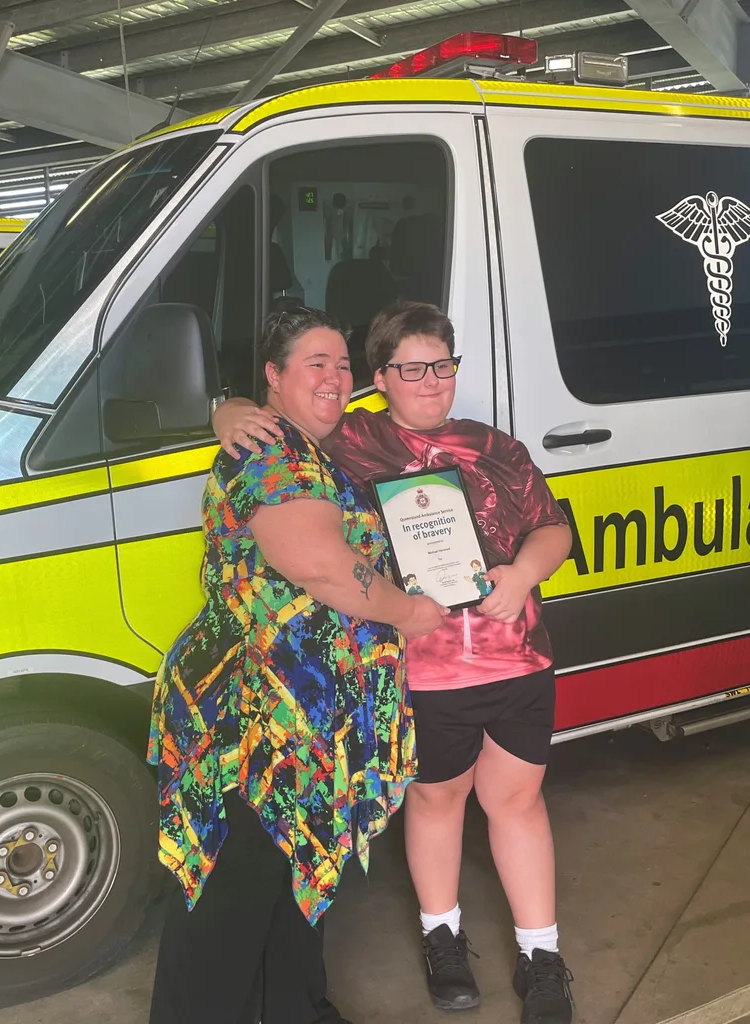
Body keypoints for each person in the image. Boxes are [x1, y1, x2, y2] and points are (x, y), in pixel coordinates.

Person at [214, 301, 575, 1024]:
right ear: (380, 378)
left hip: (516, 660)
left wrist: (524, 575)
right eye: (412, 368)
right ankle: (442, 938)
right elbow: (281, 417)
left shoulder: (494, 447)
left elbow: (553, 527)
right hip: (426, 670)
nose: (431, 380)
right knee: (436, 801)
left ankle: (543, 956)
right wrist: (228, 409)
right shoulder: (347, 441)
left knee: (518, 802)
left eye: (442, 364)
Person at [148, 307, 447, 1024]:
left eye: (343, 364)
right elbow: (322, 566)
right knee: (230, 900)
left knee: (296, 876)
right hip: (251, 723)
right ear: (275, 377)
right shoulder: (274, 452)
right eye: (317, 362)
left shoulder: (309, 444)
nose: (337, 377)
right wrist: (411, 614)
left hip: (300, 724)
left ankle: (299, 1009)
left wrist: (230, 407)